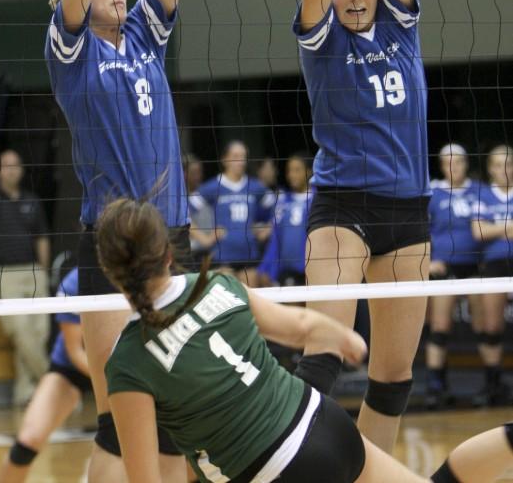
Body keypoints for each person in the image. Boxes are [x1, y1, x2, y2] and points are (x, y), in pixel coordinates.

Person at [45, 0, 238, 483]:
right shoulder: (71, 53)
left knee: (176, 409)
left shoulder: (145, 39)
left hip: (175, 242)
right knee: (115, 418)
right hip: (111, 247)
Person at [97, 197, 513, 483]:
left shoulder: (127, 363)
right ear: (168, 254)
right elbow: (299, 326)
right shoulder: (216, 285)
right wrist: (338, 335)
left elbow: (145, 478)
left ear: (110, 272)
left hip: (268, 471)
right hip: (324, 424)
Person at [291, 0, 430, 454]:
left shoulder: (401, 29)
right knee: (323, 359)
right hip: (343, 207)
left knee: (393, 377)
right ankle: (292, 468)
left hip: (409, 212)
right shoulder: (323, 43)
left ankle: (368, 474)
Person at [0, 149, 51, 405]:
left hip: (34, 272)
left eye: (16, 165)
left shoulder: (32, 201)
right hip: (4, 274)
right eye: (6, 165)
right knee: (20, 331)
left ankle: (26, 392)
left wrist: (43, 270)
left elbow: (42, 238)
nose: (12, 170)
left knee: (40, 332)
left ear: (22, 169)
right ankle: (53, 386)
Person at [0, 267, 91, 483]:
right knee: (28, 440)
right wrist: (114, 380)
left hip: (126, 367)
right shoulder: (75, 282)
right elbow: (75, 352)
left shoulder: (140, 272)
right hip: (74, 368)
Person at [425, 143, 484, 409]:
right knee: (439, 328)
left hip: (477, 268)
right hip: (444, 267)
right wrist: (427, 261)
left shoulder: (479, 191)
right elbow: (418, 230)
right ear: (441, 165)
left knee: (485, 328)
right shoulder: (432, 192)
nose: (453, 167)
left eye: (457, 162)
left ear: (466, 163)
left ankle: (491, 383)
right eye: (447, 162)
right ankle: (436, 387)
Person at [195, 140, 275, 282]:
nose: (241, 161)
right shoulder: (213, 186)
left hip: (249, 255)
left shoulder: (256, 187)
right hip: (223, 255)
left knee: (250, 300)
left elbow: (280, 207)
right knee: (228, 300)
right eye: (236, 156)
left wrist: (267, 228)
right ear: (225, 159)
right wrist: (204, 239)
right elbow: (184, 213)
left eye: (243, 157)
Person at [470, 143, 513, 407]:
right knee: (492, 327)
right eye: (498, 165)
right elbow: (478, 232)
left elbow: (487, 228)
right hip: (496, 264)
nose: (504, 170)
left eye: (508, 164)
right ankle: (493, 384)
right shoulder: (483, 195)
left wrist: (495, 226)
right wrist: (508, 226)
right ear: (490, 169)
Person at [258, 154, 313, 287]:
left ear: (309, 171)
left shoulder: (318, 200)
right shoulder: (282, 201)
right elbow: (275, 237)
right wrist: (266, 267)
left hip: (312, 267)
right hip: (288, 269)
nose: (292, 175)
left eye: (297, 170)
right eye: (289, 170)